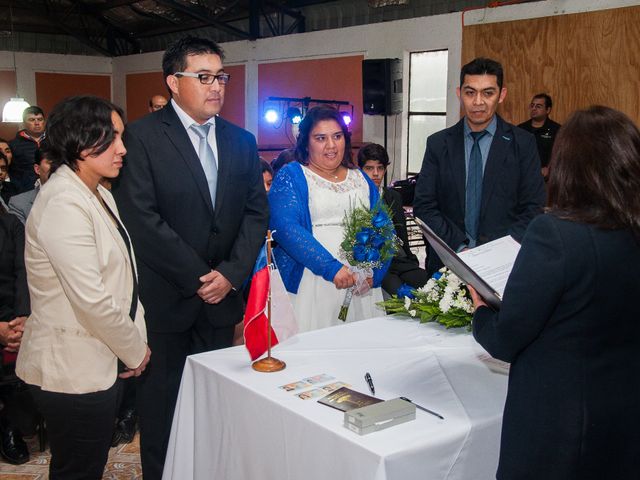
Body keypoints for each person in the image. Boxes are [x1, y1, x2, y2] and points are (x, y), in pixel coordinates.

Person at [112, 36, 268, 480]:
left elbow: (257, 214)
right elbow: (142, 220)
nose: (216, 86)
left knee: (215, 413)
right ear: (173, 82)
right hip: (168, 304)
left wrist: (231, 275)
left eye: (220, 76)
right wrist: (203, 277)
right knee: (162, 416)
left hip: (222, 306)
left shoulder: (241, 140)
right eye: (203, 77)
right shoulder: (141, 137)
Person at [470, 106, 640, 480]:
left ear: (568, 166)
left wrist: (481, 309)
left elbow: (505, 338)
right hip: (623, 421)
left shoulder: (555, 234)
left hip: (560, 430)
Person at [15, 96, 150, 480]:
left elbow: (123, 277)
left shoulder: (97, 191)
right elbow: (91, 298)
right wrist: (135, 349)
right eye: (112, 139)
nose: (122, 149)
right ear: (79, 140)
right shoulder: (63, 201)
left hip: (96, 358)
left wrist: (130, 342)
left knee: (84, 466)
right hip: (71, 368)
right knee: (78, 470)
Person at [413, 57, 545, 274]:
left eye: (488, 93)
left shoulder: (523, 143)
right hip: (449, 263)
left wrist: (493, 253)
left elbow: (534, 207)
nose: (478, 102)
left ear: (502, 95)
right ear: (459, 93)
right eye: (470, 92)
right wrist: (460, 248)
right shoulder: (438, 144)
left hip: (503, 266)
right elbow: (424, 206)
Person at [269, 106, 389, 332]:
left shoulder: (360, 177)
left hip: (360, 283)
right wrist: (330, 268)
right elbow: (286, 228)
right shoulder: (292, 175)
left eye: (337, 136)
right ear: (306, 142)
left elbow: (384, 227)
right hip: (312, 279)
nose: (331, 145)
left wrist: (376, 272)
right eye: (320, 138)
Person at [357, 143, 428, 295]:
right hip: (376, 264)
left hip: (401, 260)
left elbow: (402, 234)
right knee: (398, 292)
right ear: (360, 170)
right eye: (369, 168)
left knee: (426, 282)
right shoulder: (356, 199)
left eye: (380, 168)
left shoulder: (393, 196)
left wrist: (410, 259)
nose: (376, 173)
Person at [0, 203, 30, 465]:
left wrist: (21, 319)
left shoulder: (11, 225)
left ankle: (11, 427)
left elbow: (23, 272)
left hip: (12, 316)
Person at [518, 93, 561, 179]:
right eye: (532, 105)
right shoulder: (520, 129)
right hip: (524, 177)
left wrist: (550, 168)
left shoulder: (557, 130)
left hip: (547, 179)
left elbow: (560, 153)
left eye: (538, 106)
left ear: (548, 110)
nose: (534, 108)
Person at [7, 141, 52, 224]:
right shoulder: (19, 204)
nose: (56, 167)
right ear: (37, 169)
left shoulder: (76, 196)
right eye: (50, 163)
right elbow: (20, 236)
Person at [9, 106, 46, 192]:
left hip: (52, 186)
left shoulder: (54, 140)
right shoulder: (13, 145)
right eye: (32, 120)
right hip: (25, 191)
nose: (37, 123)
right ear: (24, 123)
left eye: (40, 119)